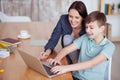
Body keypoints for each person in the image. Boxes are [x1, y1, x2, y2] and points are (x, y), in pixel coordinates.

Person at [47, 11, 115, 80]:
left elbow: (91, 63)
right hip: (75, 77)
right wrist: (57, 59)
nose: (87, 30)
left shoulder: (109, 46)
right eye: (86, 27)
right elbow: (67, 49)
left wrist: (66, 68)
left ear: (102, 29)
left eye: (91, 28)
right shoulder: (85, 37)